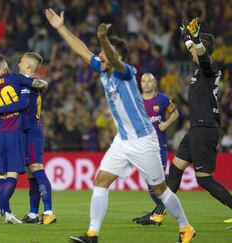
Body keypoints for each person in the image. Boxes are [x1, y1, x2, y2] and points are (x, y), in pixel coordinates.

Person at [45, 9, 195, 243]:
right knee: (100, 182)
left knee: (160, 191)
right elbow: (81, 49)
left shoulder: (126, 73)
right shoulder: (102, 69)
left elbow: (113, 60)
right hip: (123, 141)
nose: (99, 56)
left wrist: (103, 38)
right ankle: (92, 234)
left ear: (115, 56)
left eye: (104, 53)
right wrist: (60, 28)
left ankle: (185, 228)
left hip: (144, 141)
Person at [150, 17, 232, 225]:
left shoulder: (209, 68)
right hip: (196, 128)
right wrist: (186, 36)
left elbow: (202, 56)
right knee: (175, 170)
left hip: (205, 128)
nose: (190, 51)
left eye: (194, 47)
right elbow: (194, 50)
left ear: (201, 48)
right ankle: (157, 214)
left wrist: (194, 38)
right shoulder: (200, 68)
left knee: (203, 178)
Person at [0, 54, 48, 224]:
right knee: (13, 173)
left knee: (1, 174)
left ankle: (7, 213)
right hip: (15, 130)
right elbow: (35, 84)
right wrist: (44, 84)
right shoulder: (14, 77)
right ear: (5, 65)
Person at [0, 52, 56, 224]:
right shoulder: (29, 82)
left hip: (31, 131)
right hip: (21, 132)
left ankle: (49, 212)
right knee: (30, 173)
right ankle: (34, 213)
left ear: (27, 66)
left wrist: (0, 110)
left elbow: (23, 103)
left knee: (36, 168)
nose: (18, 64)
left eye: (21, 62)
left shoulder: (27, 83)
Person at [132, 72, 179, 225]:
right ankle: (160, 211)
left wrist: (166, 124)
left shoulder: (163, 99)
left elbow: (175, 113)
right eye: (143, 81)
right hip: (143, 147)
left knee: (158, 181)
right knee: (151, 185)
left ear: (155, 84)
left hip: (159, 146)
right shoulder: (136, 100)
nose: (146, 84)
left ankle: (161, 213)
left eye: (149, 81)